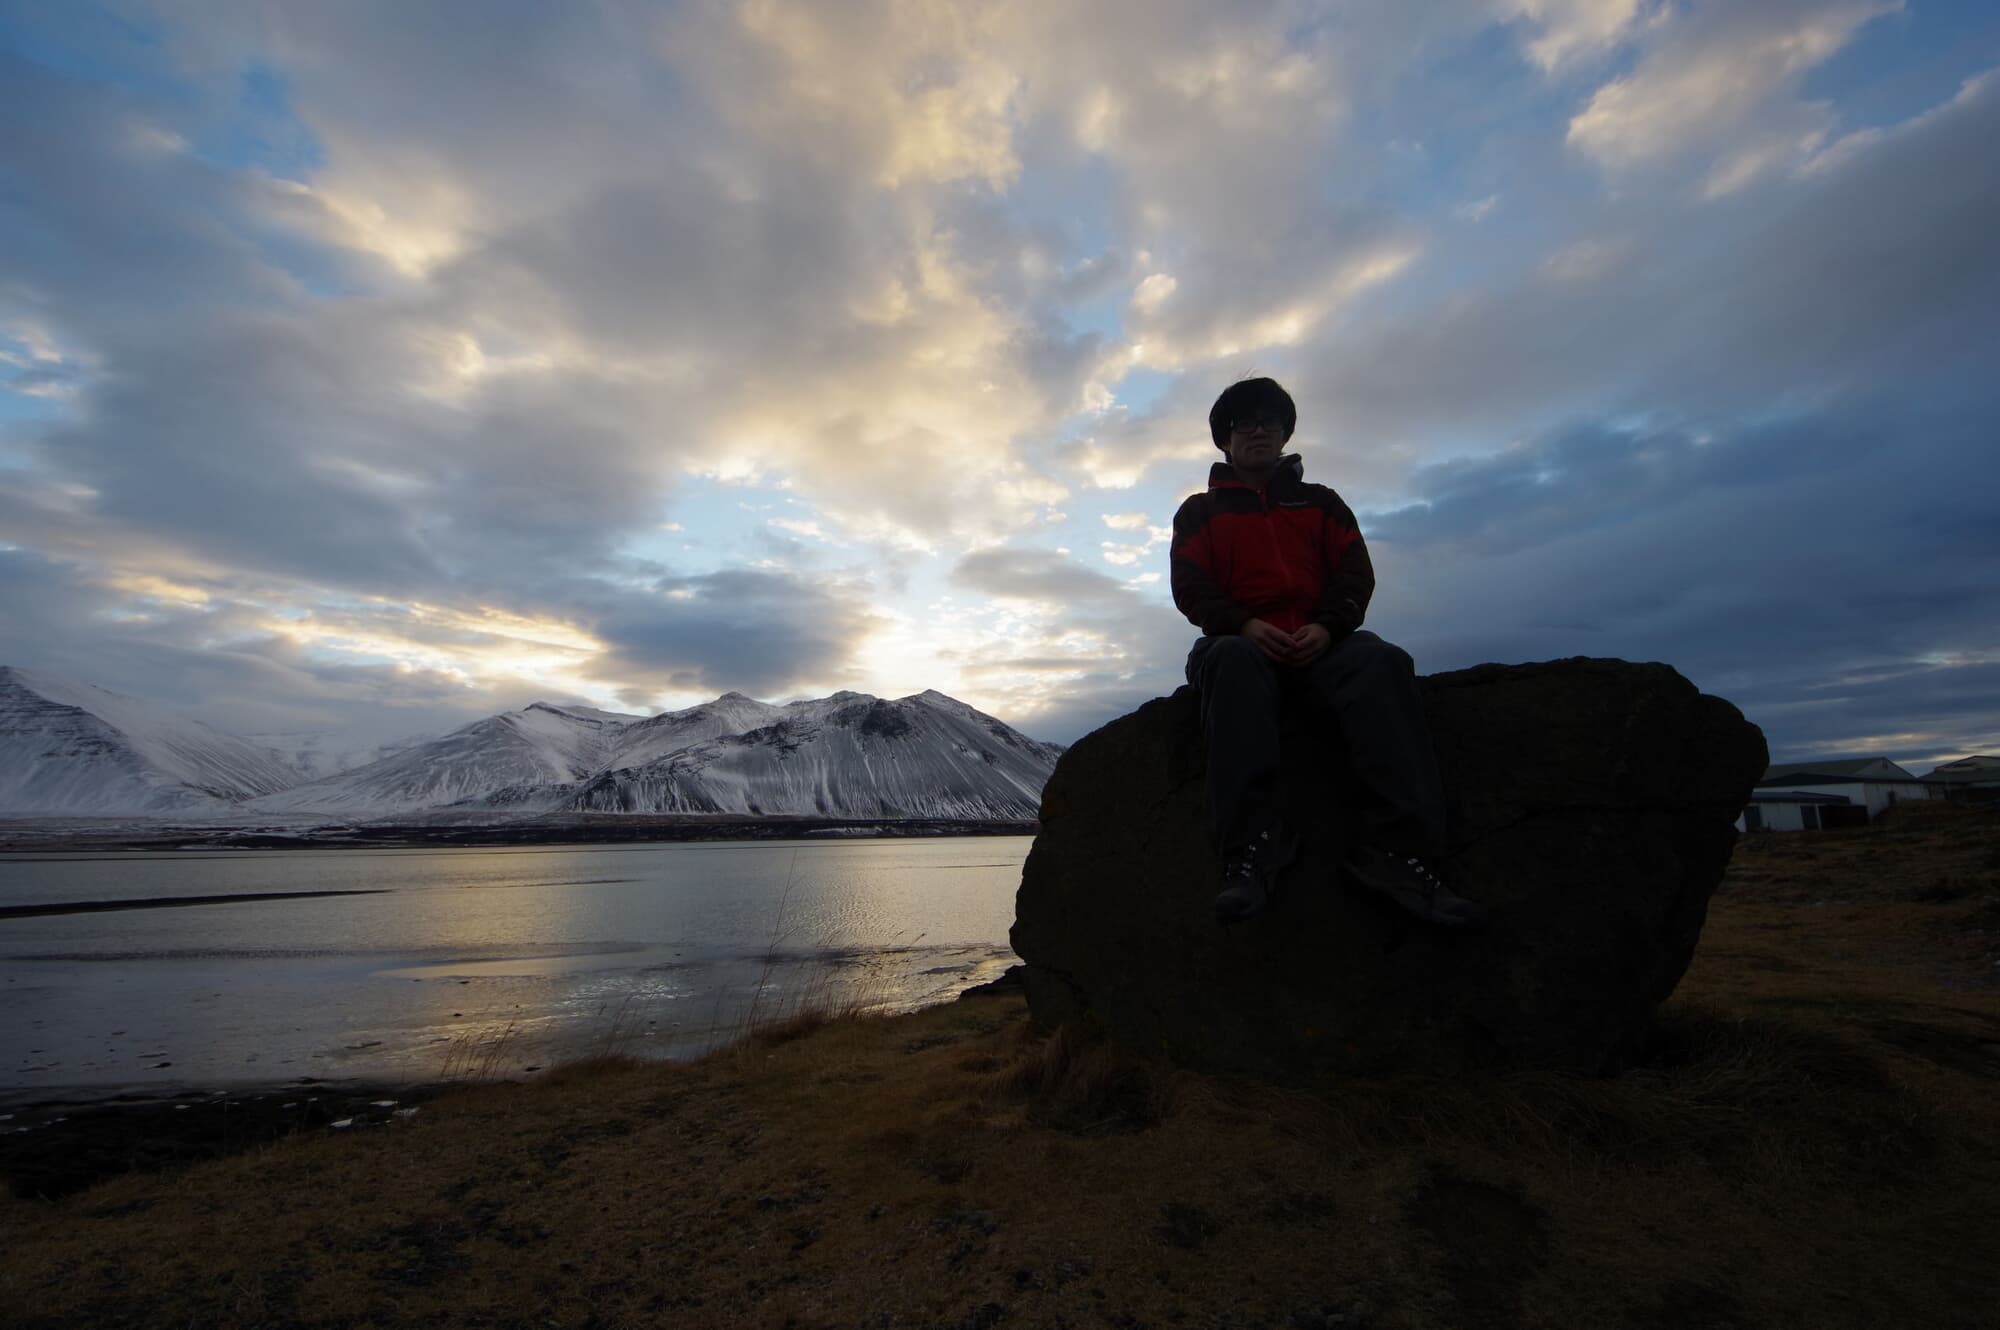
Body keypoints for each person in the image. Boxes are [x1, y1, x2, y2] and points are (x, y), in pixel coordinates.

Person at [1169, 376, 1485, 929]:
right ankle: (1250, 850)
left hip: (1325, 645)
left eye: (1270, 420)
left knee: (1381, 661)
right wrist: (1242, 625)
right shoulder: (1199, 512)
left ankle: (1398, 853)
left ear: (1285, 433)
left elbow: (1354, 574)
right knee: (1229, 662)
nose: (1258, 430)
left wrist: (1328, 626)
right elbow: (1191, 586)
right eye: (1244, 422)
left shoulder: (1322, 503)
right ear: (1225, 440)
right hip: (1239, 644)